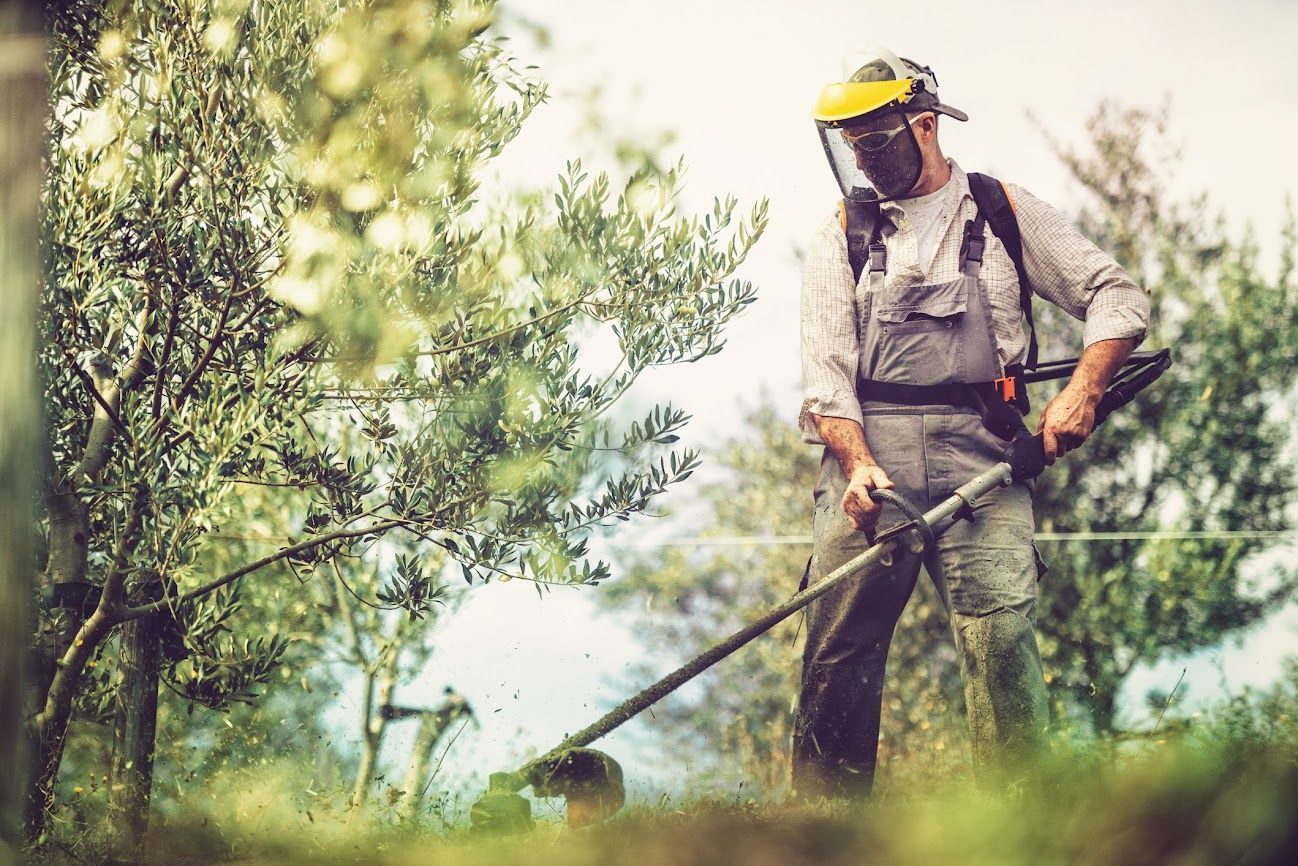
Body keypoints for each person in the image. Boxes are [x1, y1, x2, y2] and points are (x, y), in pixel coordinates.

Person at [791, 45, 1151, 797]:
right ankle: (821, 830)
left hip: (986, 459)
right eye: (850, 143)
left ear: (924, 125)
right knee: (837, 649)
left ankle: (1017, 824)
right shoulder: (843, 234)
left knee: (1001, 641)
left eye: (875, 140)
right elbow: (826, 379)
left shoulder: (1000, 210)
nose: (861, 157)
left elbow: (1116, 296)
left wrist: (1083, 390)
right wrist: (856, 463)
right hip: (871, 466)